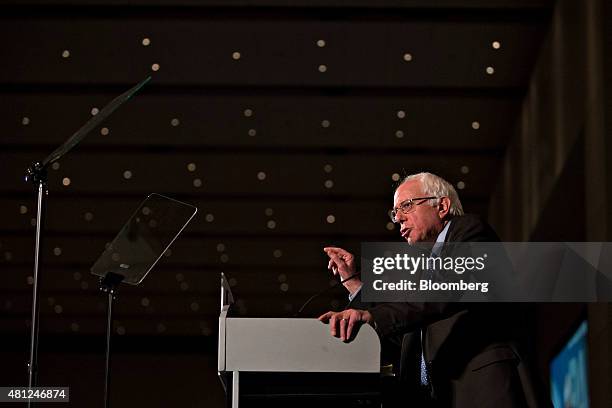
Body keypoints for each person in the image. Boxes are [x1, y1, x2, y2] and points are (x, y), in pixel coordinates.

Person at [318, 172, 550, 408]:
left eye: (406, 206)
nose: (398, 218)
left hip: (482, 387)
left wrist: (373, 316)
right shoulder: (425, 270)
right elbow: (408, 330)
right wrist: (353, 285)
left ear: (442, 206)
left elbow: (443, 293)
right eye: (395, 212)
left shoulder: (471, 231)